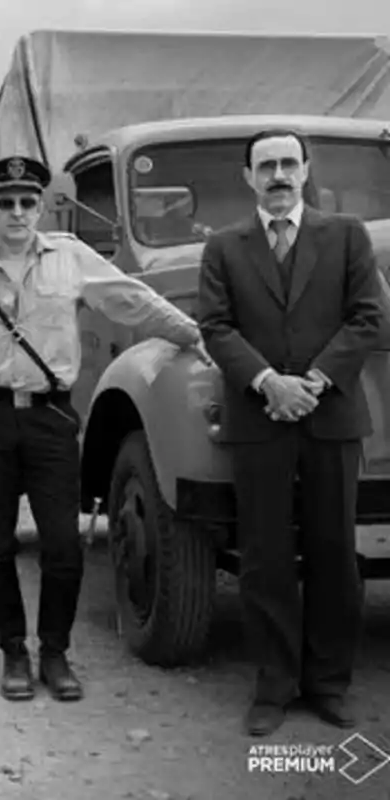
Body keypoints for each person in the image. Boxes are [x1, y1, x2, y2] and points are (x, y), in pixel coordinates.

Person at [0, 156, 204, 703]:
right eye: (6, 203)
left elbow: (132, 299)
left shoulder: (70, 259)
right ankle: (14, 653)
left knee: (63, 544)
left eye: (27, 202)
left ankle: (56, 653)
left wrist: (194, 336)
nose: (17, 212)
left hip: (49, 417)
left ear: (40, 206)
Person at [198, 129, 383, 737]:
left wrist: (315, 382)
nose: (278, 175)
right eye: (265, 166)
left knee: (334, 553)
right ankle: (273, 687)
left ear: (305, 170)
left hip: (329, 418)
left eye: (287, 163)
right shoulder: (224, 247)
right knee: (265, 556)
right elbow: (216, 327)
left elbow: (368, 317)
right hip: (259, 420)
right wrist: (269, 384)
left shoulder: (347, 235)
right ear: (248, 177)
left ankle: (328, 684)